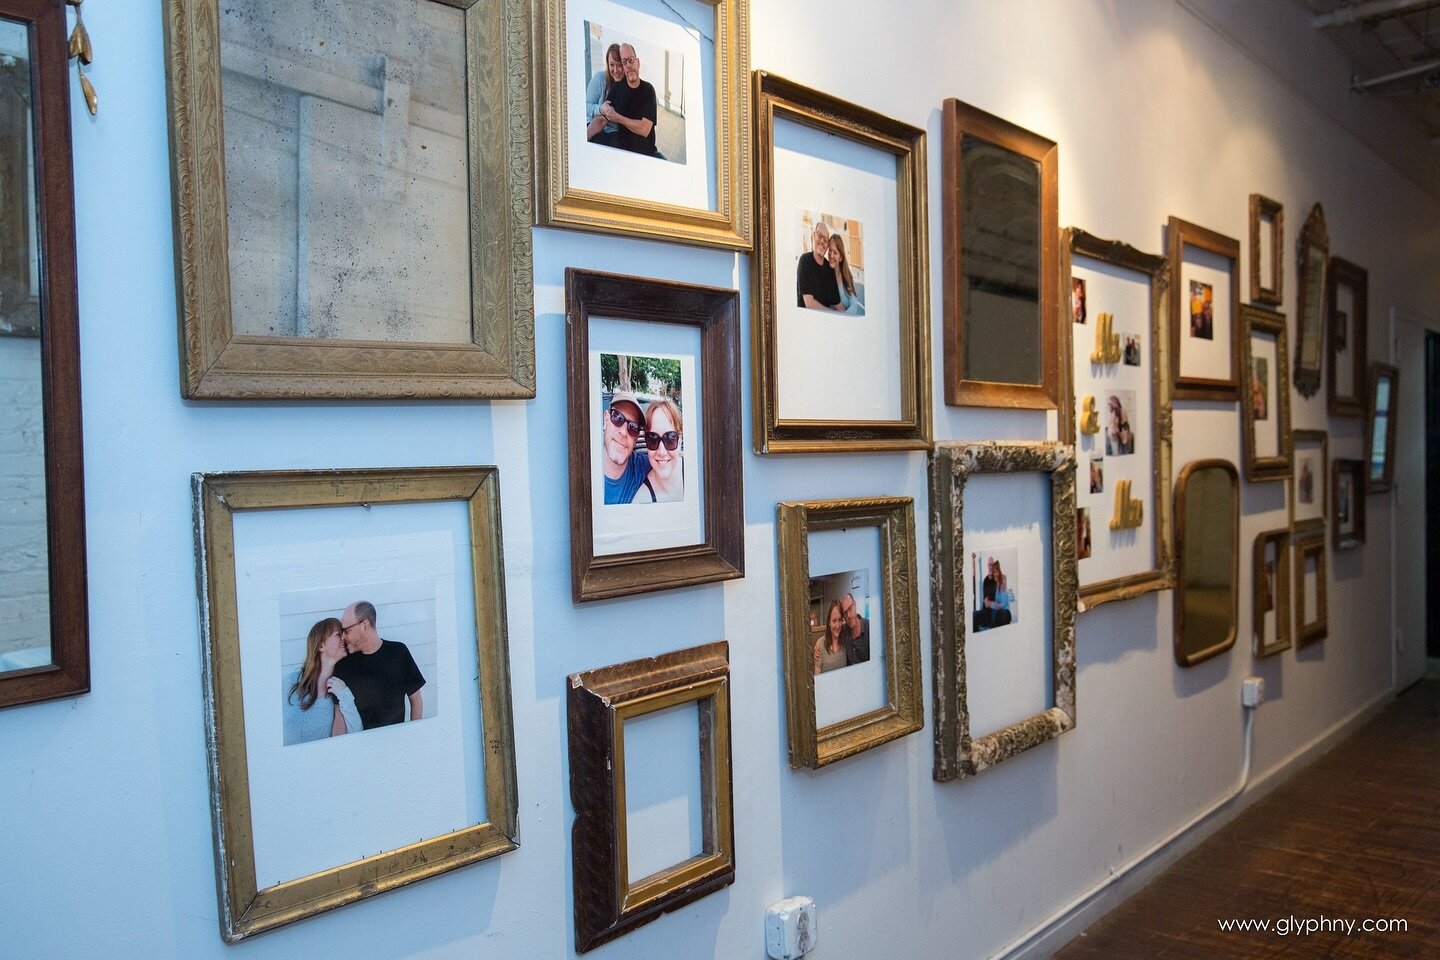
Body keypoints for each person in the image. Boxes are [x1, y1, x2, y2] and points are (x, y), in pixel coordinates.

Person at [333, 601, 426, 730]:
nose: (343, 637)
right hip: (360, 746)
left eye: (346, 630)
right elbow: (339, 714)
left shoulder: (398, 652)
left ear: (365, 626)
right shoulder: (343, 664)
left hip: (397, 743)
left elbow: (416, 699)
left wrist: (415, 735)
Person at [283, 617, 364, 745]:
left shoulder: (340, 690)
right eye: (338, 634)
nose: (344, 638)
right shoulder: (290, 682)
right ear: (321, 645)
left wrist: (344, 695)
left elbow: (356, 732)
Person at [594, 43, 661, 157]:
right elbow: (602, 120)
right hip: (623, 152)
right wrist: (583, 136)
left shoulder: (648, 90)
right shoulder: (617, 88)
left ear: (638, 63)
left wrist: (617, 117)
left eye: (631, 60)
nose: (628, 65)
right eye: (624, 62)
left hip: (648, 155)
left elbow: (644, 129)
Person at [601, 391, 651, 504]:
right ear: (606, 419)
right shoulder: (583, 472)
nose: (623, 432)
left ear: (636, 438)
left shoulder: (642, 467)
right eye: (618, 418)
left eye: (633, 427)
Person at [637, 398, 683, 503]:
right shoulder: (641, 501)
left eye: (670, 438)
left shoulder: (698, 476)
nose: (661, 452)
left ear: (679, 440)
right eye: (653, 439)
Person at [584, 43, 624, 147]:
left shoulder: (626, 86)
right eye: (612, 65)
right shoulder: (599, 78)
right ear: (607, 64)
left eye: (619, 65)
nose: (615, 70)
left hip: (615, 132)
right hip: (594, 125)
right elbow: (586, 107)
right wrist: (600, 109)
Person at [796, 219, 842, 311]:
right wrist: (833, 312)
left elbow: (838, 305)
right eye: (819, 236)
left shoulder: (829, 269)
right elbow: (809, 304)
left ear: (827, 245)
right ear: (813, 236)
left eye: (825, 239)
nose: (822, 241)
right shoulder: (805, 261)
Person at [828, 234, 864, 315]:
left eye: (835, 252)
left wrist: (842, 316)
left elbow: (854, 306)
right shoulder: (825, 273)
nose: (831, 255)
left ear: (841, 257)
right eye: (830, 250)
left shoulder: (846, 275)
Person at [812, 600, 850, 675]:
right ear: (829, 622)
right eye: (834, 621)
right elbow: (817, 677)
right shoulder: (820, 645)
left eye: (840, 620)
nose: (837, 625)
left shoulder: (847, 640)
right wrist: (818, 642)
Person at [840, 593, 870, 665]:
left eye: (850, 608)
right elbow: (831, 633)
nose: (849, 615)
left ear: (855, 605)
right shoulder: (843, 630)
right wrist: (818, 644)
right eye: (845, 613)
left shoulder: (869, 627)